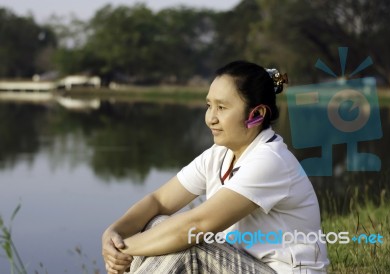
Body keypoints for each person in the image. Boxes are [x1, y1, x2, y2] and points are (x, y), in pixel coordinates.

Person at [102, 60, 329, 274]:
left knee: (192, 243)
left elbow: (196, 225)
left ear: (257, 114)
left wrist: (122, 249)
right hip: (241, 263)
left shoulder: (271, 161)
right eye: (209, 105)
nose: (211, 118)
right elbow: (159, 201)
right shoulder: (219, 155)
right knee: (156, 224)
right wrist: (114, 233)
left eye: (222, 107)